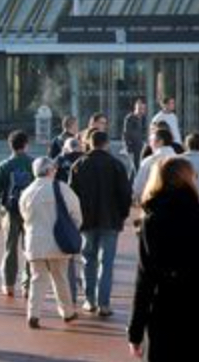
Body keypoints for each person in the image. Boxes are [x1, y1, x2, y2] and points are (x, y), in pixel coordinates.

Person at [128, 157, 199, 362]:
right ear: (191, 180)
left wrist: (135, 332)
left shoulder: (152, 222)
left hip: (169, 313)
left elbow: (145, 280)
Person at [69, 130, 132, 316]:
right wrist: (122, 214)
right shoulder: (116, 165)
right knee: (107, 262)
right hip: (111, 219)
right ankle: (104, 303)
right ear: (106, 144)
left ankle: (89, 300)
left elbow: (72, 195)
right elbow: (125, 194)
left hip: (86, 220)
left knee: (88, 260)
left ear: (89, 143)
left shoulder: (79, 164)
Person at [20, 156, 82, 328]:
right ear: (49, 170)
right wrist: (73, 230)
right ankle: (67, 312)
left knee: (37, 279)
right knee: (60, 277)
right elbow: (76, 214)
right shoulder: (62, 188)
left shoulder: (27, 192)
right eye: (54, 169)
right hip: (59, 241)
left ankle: (33, 314)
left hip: (35, 241)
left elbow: (24, 217)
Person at [0, 129, 34, 298]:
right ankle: (27, 285)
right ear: (26, 144)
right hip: (29, 212)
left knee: (10, 248)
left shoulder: (4, 166)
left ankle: (9, 284)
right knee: (29, 248)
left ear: (10, 145)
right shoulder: (33, 163)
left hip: (10, 211)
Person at [132, 127, 177, 202]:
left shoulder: (149, 161)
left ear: (160, 142)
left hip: (154, 204)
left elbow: (138, 188)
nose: (150, 144)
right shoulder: (182, 160)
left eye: (151, 141)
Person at [122, 97, 148, 171]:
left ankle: (130, 182)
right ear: (135, 107)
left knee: (135, 169)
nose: (141, 110)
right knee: (136, 168)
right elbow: (126, 133)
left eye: (143, 108)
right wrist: (127, 147)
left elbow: (144, 132)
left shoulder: (143, 119)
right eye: (139, 108)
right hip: (133, 147)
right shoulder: (130, 118)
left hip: (141, 146)